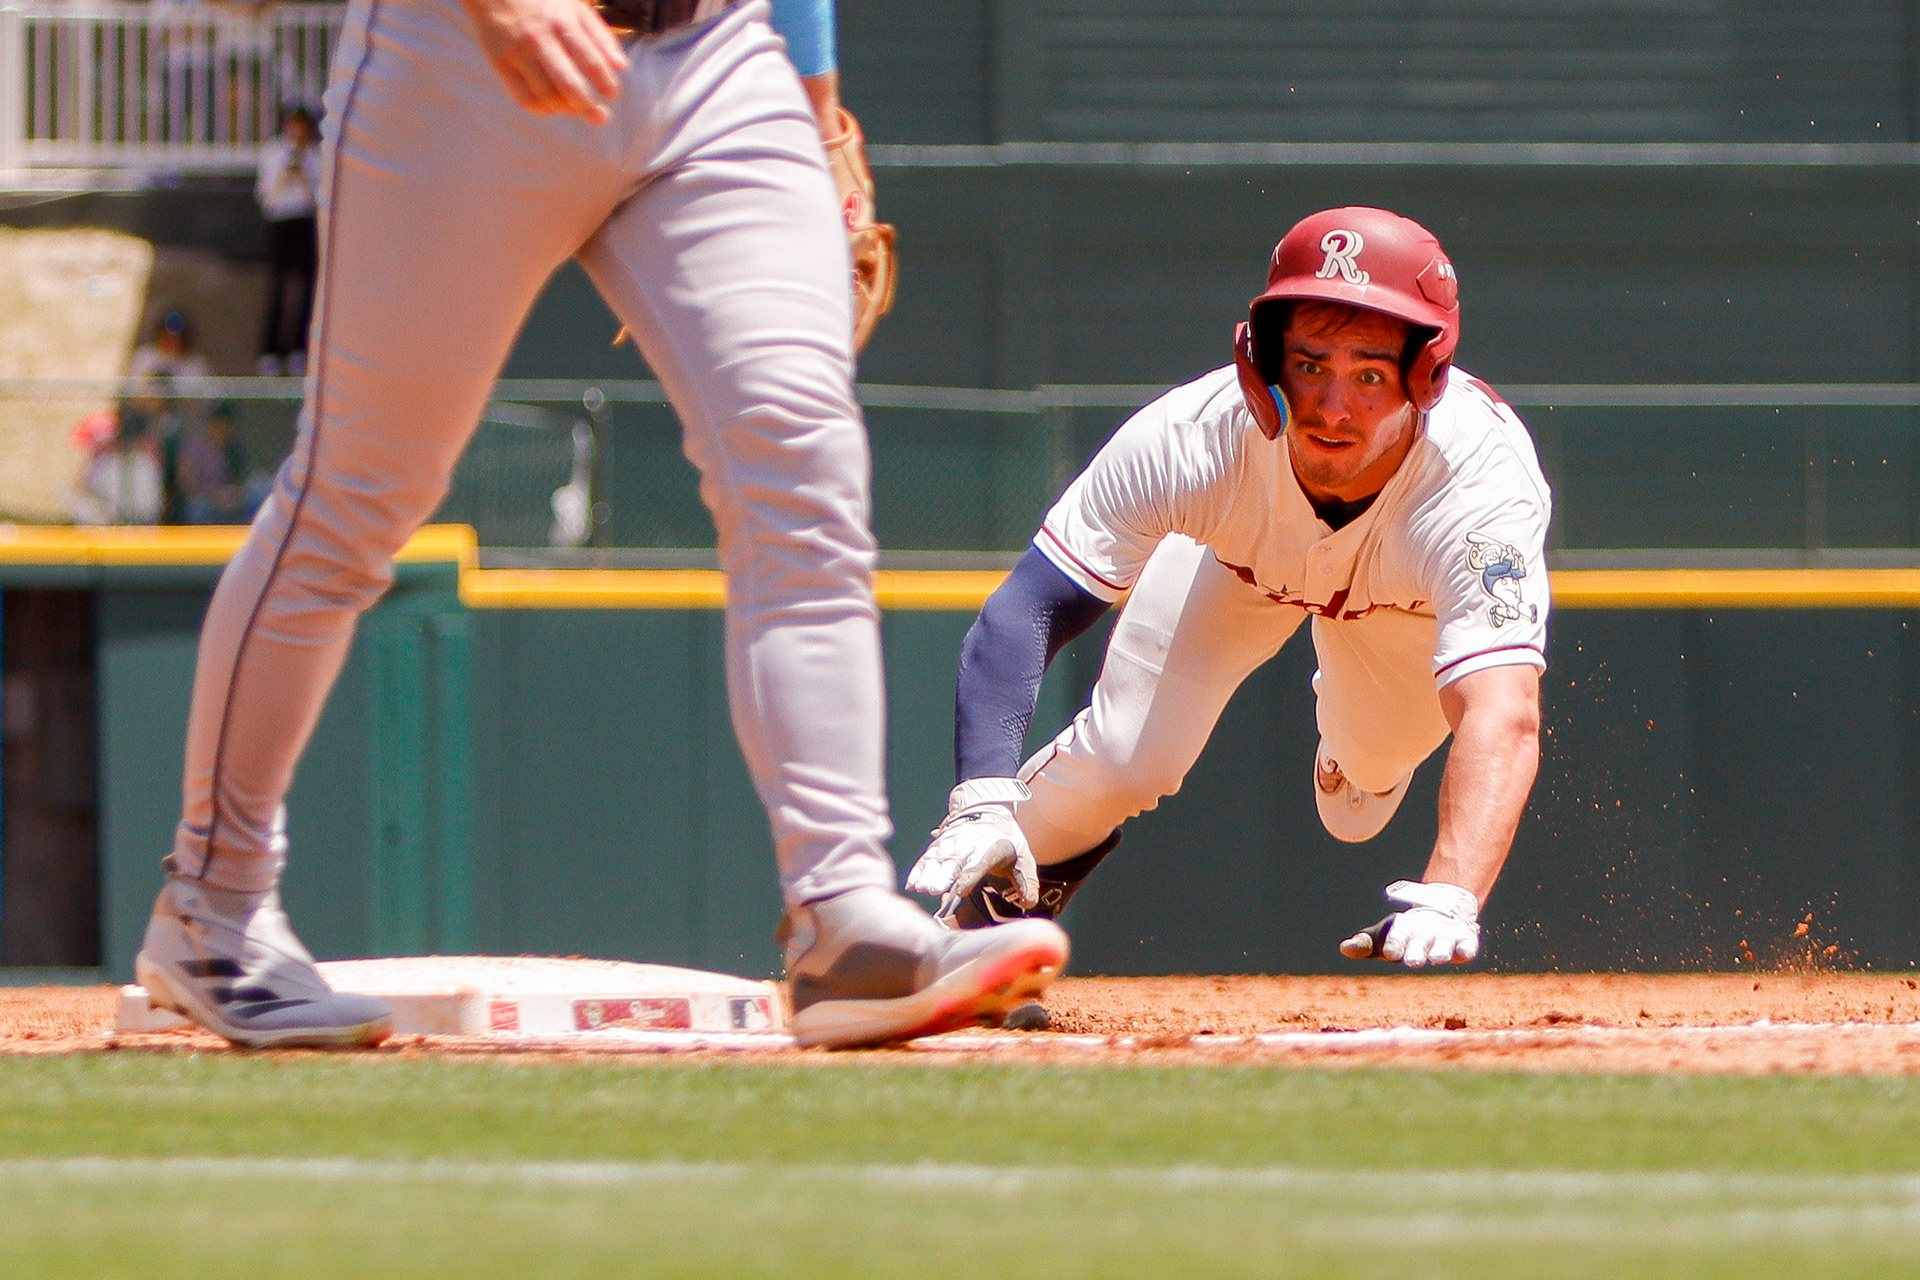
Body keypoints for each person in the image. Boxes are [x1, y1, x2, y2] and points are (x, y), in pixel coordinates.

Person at [133, 0, 1067, 1051]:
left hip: (715, 58)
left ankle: (842, 914)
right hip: (462, 67)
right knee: (356, 498)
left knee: (804, 473)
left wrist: (816, 110)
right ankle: (212, 904)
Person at [906, 207, 1549, 989]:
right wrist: (979, 796)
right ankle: (970, 936)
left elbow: (1504, 713)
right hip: (1239, 563)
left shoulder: (1479, 489)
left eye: (1370, 375)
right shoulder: (1195, 436)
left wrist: (1453, 891)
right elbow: (1025, 610)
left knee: (1360, 798)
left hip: (1399, 609)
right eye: (1309, 365)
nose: (1332, 408)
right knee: (1124, 758)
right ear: (1262, 359)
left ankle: (1349, 752)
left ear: (1426, 378)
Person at [254, 106, 323, 376]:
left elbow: (319, 198)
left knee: (305, 288)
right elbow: (265, 196)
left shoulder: (315, 156)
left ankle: (298, 349)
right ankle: (270, 350)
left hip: (304, 221)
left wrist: (303, 175)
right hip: (280, 222)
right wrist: (285, 174)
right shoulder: (274, 153)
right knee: (278, 286)